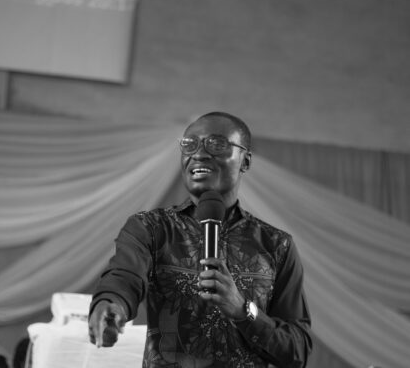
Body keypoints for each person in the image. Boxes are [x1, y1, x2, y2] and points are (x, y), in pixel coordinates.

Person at [88, 112, 312, 367]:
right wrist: (111, 304)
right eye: (189, 144)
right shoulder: (151, 228)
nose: (199, 153)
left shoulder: (277, 245)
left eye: (217, 144)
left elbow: (297, 350)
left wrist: (243, 310)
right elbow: (124, 278)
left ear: (245, 161)